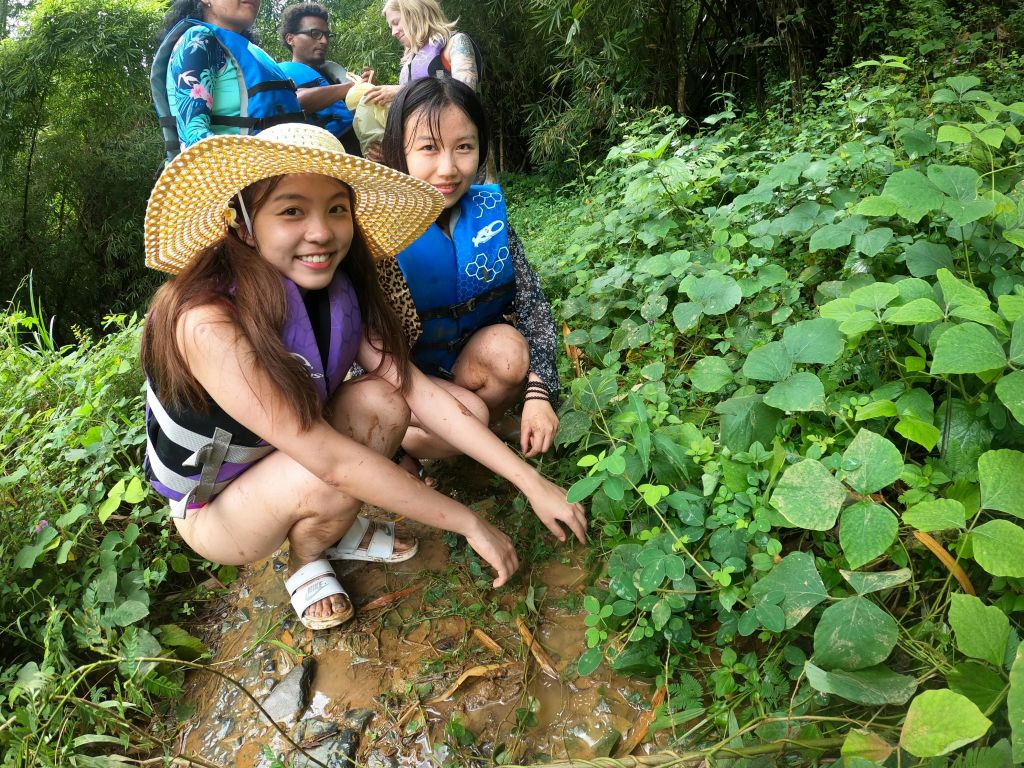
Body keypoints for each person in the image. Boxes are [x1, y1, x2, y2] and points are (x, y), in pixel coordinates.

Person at [141, 123, 586, 630]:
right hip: (217, 506)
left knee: (385, 401)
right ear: (243, 225)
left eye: (336, 208)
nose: (322, 232)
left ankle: (327, 527)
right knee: (331, 477)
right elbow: (330, 459)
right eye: (291, 211)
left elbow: (416, 390)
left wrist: (530, 481)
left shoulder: (335, 286)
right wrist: (469, 523)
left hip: (290, 456)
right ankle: (305, 558)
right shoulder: (208, 323)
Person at [378, 77, 561, 474]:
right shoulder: (379, 232)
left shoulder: (487, 215)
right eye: (428, 148)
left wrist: (539, 391)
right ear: (398, 149)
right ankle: (405, 447)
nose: (448, 169)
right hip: (407, 384)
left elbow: (532, 305)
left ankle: (478, 430)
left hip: (464, 362)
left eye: (464, 147)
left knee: (509, 354)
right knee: (470, 413)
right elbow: (363, 358)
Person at [151, 0, 304, 163]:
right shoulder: (198, 40)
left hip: (277, 170)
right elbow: (194, 142)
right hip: (227, 175)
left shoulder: (250, 51)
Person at [277, 2, 373, 156]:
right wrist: (352, 87)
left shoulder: (334, 74)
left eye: (326, 35)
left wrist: (368, 90)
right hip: (322, 158)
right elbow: (295, 101)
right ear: (290, 39)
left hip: (360, 153)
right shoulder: (280, 75)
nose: (324, 41)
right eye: (315, 34)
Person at [363, 0, 482, 108]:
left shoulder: (455, 43)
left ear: (415, 13)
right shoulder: (409, 62)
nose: (393, 32)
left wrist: (402, 91)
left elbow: (466, 97)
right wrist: (376, 92)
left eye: (396, 22)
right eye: (391, 27)